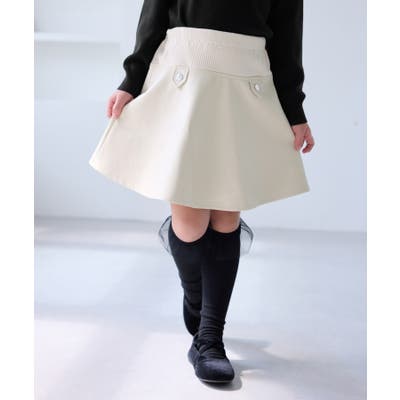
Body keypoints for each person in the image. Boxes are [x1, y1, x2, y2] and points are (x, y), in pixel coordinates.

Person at [88, 0, 315, 384]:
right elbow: (154, 15)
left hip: (245, 83)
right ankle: (196, 296)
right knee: (191, 224)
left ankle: (210, 339)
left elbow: (287, 40)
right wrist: (131, 80)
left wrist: (295, 110)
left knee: (226, 217)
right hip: (184, 78)